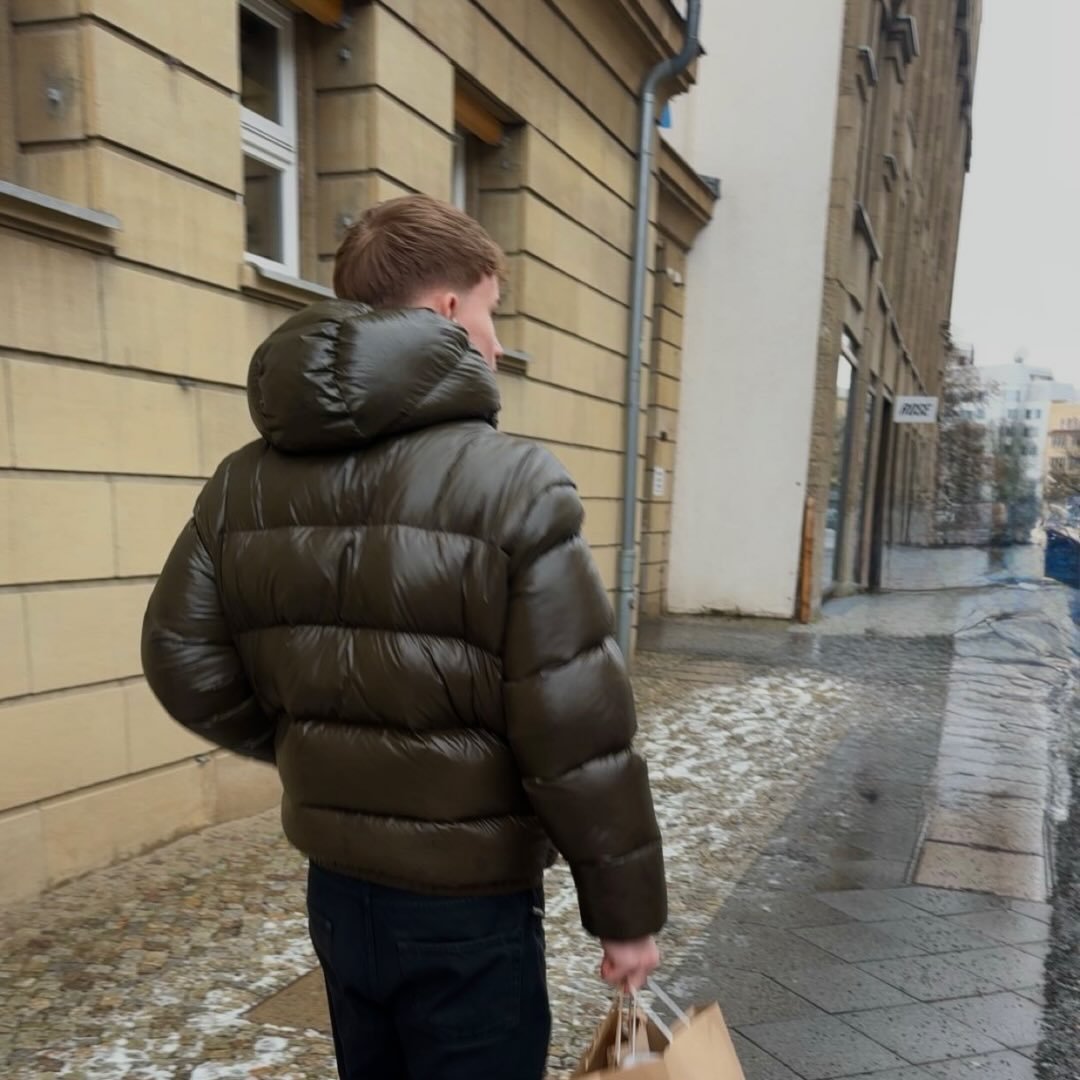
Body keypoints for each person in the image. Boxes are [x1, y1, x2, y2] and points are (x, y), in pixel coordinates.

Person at [142, 194, 666, 1079]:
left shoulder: (241, 485)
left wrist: (314, 742)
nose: (494, 343)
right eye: (492, 313)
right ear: (450, 308)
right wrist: (626, 915)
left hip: (340, 893)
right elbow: (573, 726)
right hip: (470, 904)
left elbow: (180, 657)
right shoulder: (514, 483)